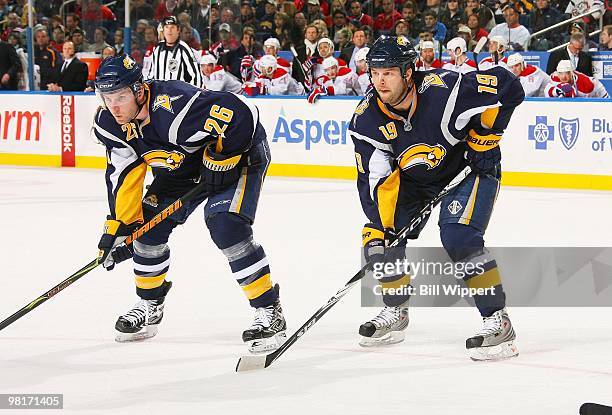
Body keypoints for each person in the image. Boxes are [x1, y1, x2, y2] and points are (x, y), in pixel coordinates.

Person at [92, 54, 288, 352]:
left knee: (226, 226)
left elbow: (243, 112)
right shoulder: (110, 123)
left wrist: (222, 157)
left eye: (120, 96)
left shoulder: (175, 107)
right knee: (146, 230)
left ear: (139, 90)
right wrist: (120, 226)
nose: (114, 106)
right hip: (181, 170)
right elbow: (123, 176)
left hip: (240, 157)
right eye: (107, 97)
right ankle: (149, 305)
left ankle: (269, 310)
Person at [348, 35, 523, 360]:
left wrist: (486, 138)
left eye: (388, 72)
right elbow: (372, 179)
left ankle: (497, 321)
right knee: (381, 236)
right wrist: (379, 226)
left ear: (408, 71)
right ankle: (395, 311)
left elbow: (510, 86)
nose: (379, 80)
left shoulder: (448, 91)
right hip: (415, 181)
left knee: (459, 237)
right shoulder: (366, 120)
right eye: (374, 72)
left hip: (469, 169)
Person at [143, 16, 203, 87]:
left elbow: (195, 76)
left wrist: (193, 95)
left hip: (179, 94)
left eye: (172, 27)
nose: (169, 31)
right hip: (160, 94)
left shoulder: (184, 48)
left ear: (178, 30)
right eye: (167, 27)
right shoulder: (157, 49)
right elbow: (151, 75)